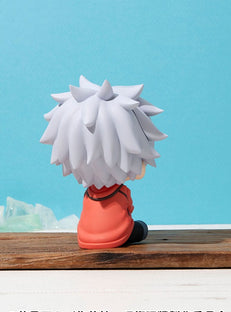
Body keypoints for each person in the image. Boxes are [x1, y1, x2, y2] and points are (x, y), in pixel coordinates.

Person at [40, 75, 167, 249]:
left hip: (84, 236)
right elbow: (128, 209)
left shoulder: (89, 194)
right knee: (140, 229)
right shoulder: (122, 192)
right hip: (117, 234)